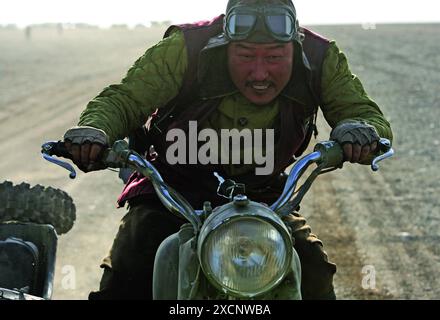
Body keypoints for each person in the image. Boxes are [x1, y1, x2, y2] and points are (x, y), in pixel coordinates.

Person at [63, 0, 393, 300]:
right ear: (225, 44)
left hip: (264, 200)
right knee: (131, 270)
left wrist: (359, 131)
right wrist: (96, 130)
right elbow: (125, 99)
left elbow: (362, 112)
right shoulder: (185, 48)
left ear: (295, 48)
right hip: (171, 193)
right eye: (246, 56)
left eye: (275, 57)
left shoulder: (320, 58)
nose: (260, 73)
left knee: (312, 273)